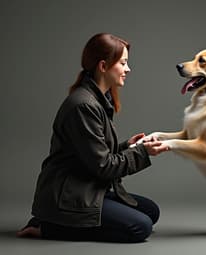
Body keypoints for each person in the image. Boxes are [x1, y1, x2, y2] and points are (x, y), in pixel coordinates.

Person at [16, 33, 169, 243]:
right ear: (103, 66)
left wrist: (128, 146)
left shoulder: (98, 99)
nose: (128, 69)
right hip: (69, 197)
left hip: (89, 188)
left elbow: (92, 153)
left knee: (151, 212)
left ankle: (59, 222)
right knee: (139, 228)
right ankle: (49, 226)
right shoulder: (83, 105)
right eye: (123, 63)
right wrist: (143, 152)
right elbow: (103, 166)